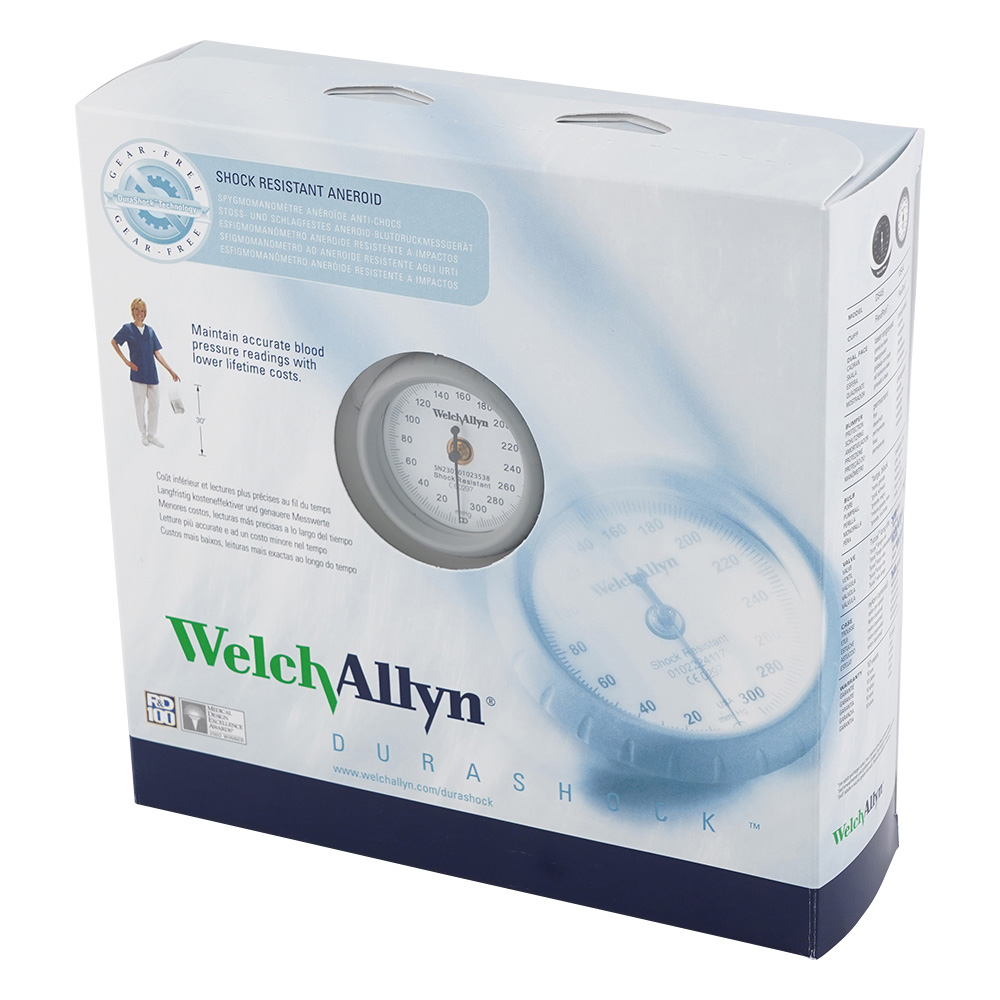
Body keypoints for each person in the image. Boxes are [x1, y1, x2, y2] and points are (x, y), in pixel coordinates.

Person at [111, 298, 180, 447]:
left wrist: (170, 370)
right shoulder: (127, 329)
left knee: (155, 404)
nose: (140, 313)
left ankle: (152, 435)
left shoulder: (150, 331)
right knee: (140, 405)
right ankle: (143, 434)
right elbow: (114, 342)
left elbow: (157, 353)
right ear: (132, 311)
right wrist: (126, 361)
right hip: (137, 374)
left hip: (151, 374)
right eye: (137, 309)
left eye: (142, 311)